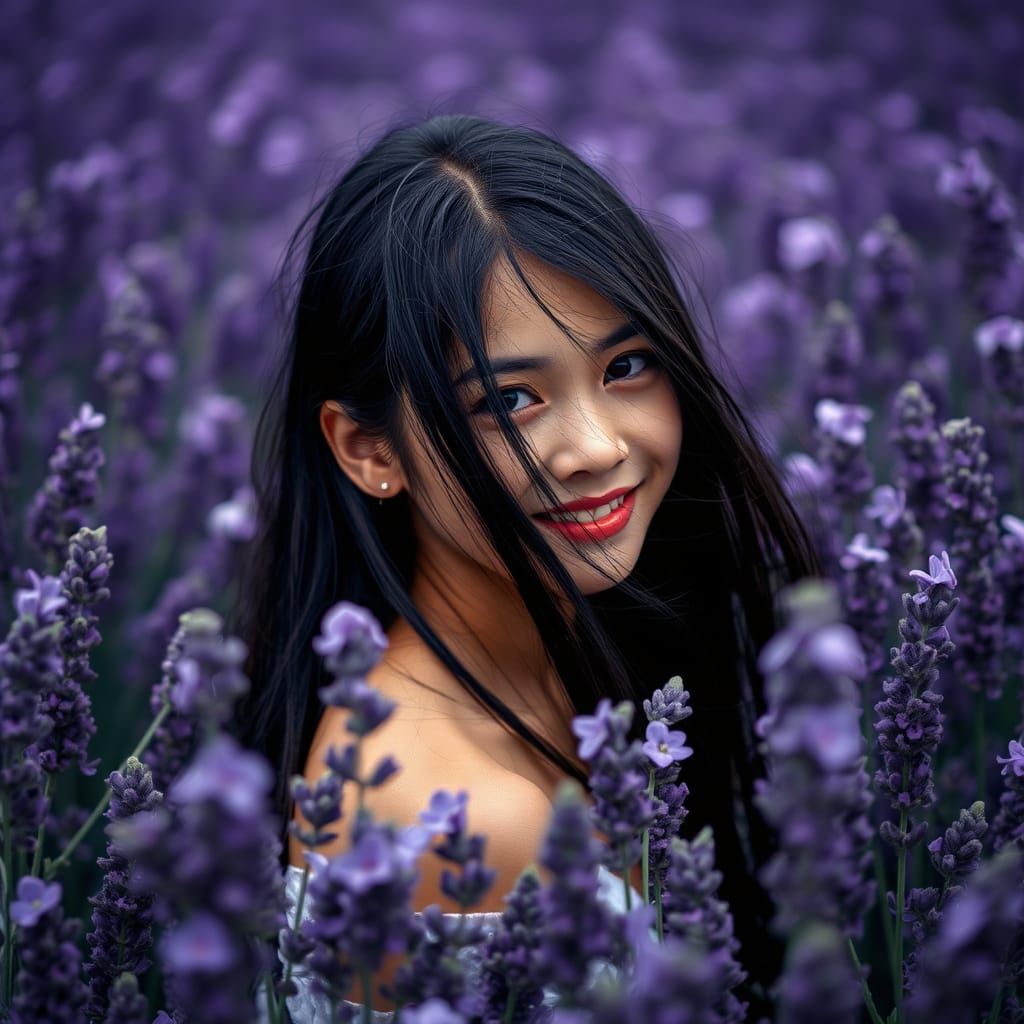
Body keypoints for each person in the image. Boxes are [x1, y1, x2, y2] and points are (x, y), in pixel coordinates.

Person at [230, 112, 824, 1020]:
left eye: (627, 364)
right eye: (510, 398)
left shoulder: (559, 675)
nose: (593, 447)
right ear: (366, 449)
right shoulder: (466, 816)